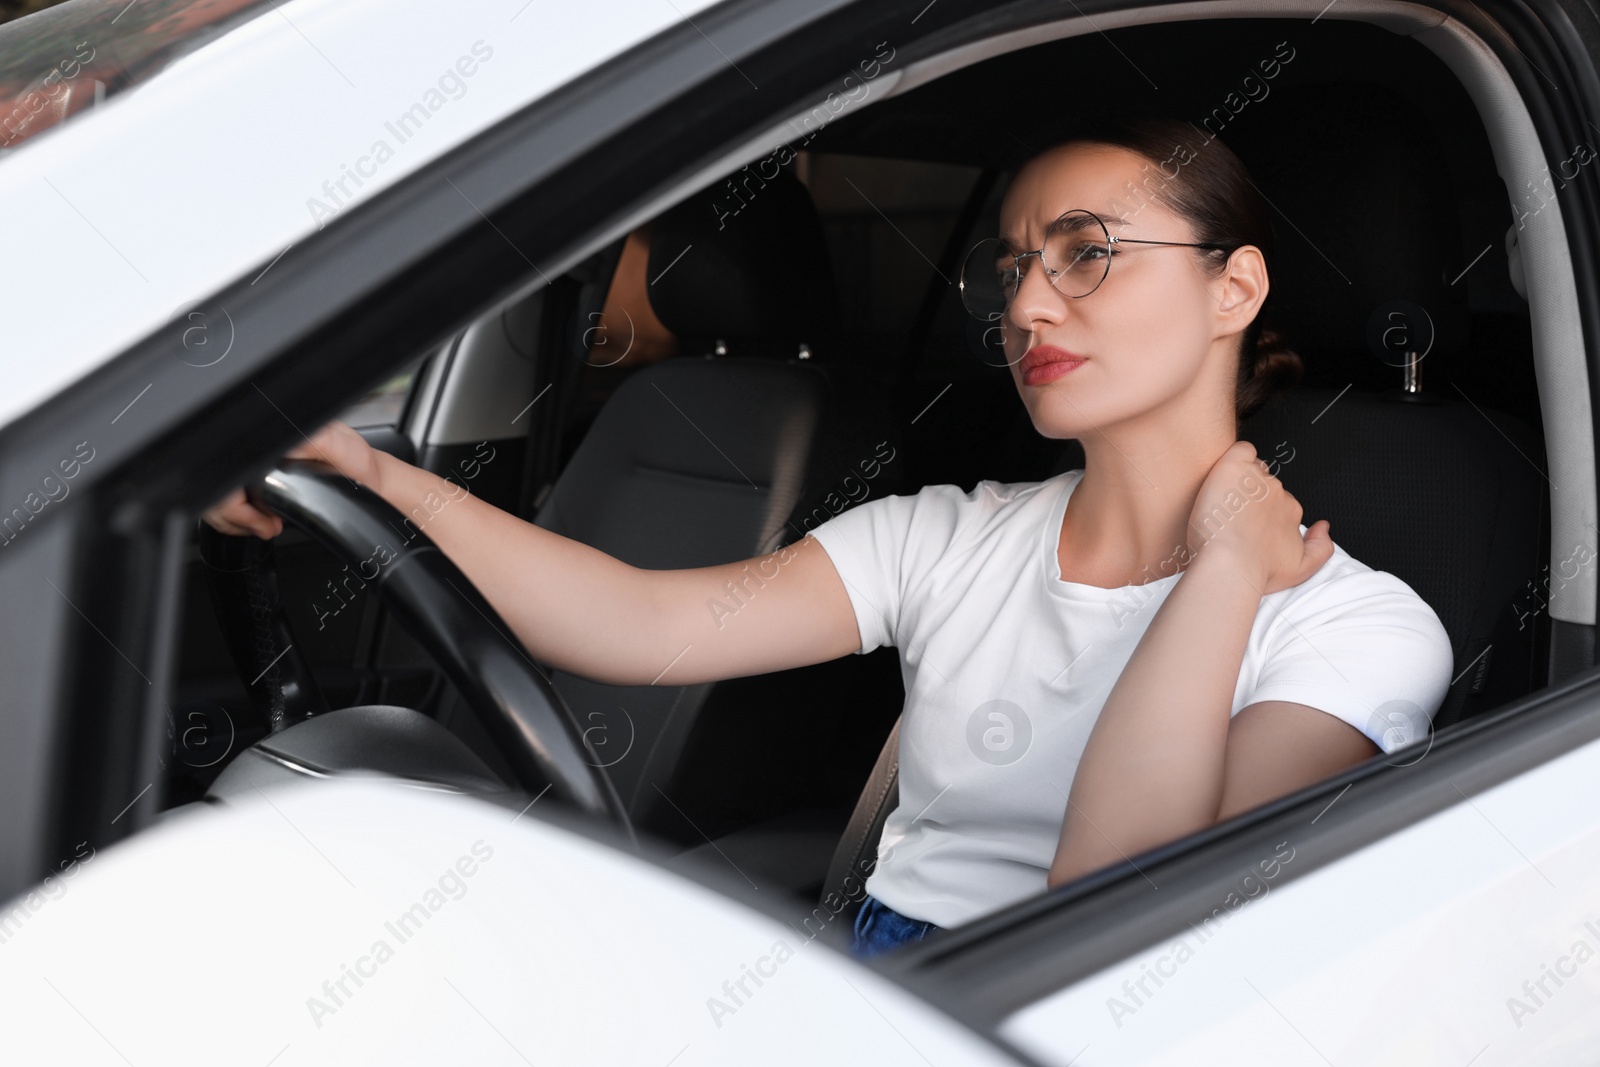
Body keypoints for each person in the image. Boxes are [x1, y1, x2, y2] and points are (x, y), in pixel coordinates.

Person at [204, 117, 1454, 961]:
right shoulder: (948, 535)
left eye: (1090, 255)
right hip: (875, 972)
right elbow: (641, 621)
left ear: (1233, 288)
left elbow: (1110, 905)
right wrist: (371, 473)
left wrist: (1225, 568)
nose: (1026, 304)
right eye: (1013, 265)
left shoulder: (1361, 628)